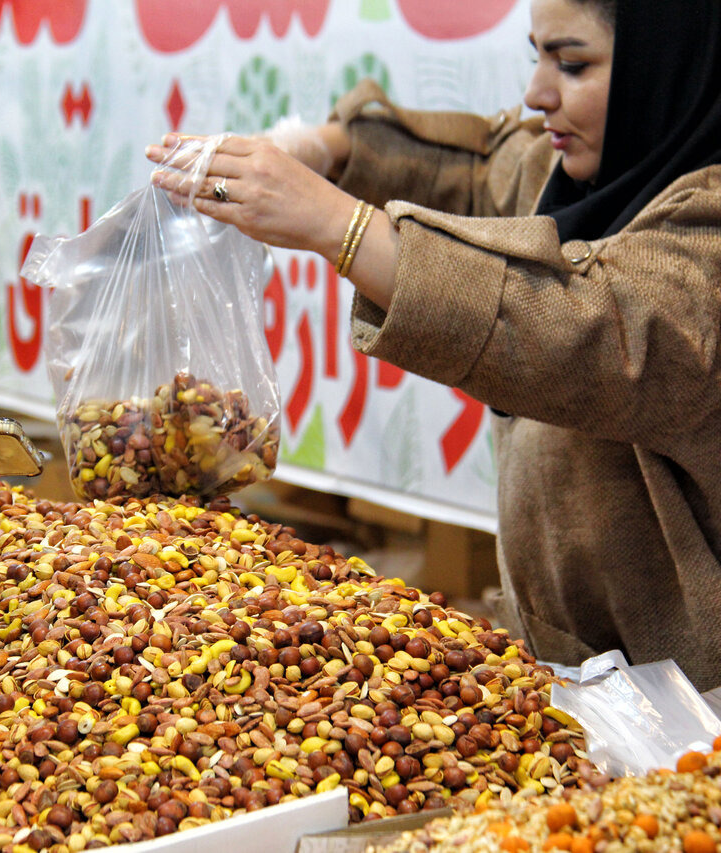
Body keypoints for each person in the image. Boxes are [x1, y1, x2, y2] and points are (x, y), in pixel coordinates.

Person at [147, 0, 721, 690]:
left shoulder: (705, 231)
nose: (538, 94)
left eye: (572, 64)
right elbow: (483, 163)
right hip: (597, 681)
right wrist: (326, 148)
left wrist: (338, 225)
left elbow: (584, 327)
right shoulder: (585, 171)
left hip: (698, 704)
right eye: (535, 56)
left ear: (669, 66)